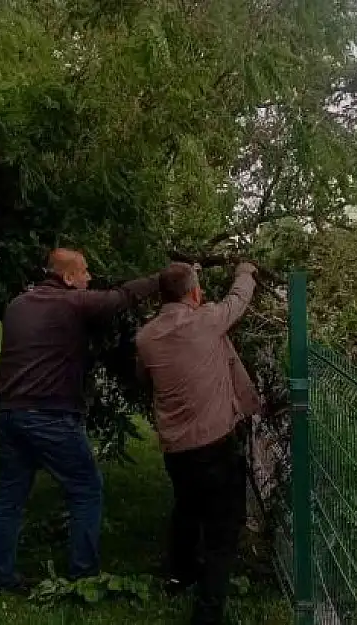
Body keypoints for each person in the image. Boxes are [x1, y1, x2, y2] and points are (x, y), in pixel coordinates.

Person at [0, 248, 161, 594]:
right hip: (48, 413)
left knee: (10, 496)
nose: (89, 278)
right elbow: (121, 299)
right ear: (67, 278)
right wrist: (163, 277)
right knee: (86, 489)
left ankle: (0, 577)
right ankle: (84, 576)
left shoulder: (18, 304)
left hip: (8, 412)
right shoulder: (71, 303)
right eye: (84, 273)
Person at [135, 261, 261, 625]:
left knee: (187, 508)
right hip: (215, 446)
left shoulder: (145, 338)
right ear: (193, 293)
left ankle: (179, 574)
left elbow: (144, 378)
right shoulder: (207, 320)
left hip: (177, 451)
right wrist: (245, 271)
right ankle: (207, 614)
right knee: (222, 534)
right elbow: (239, 299)